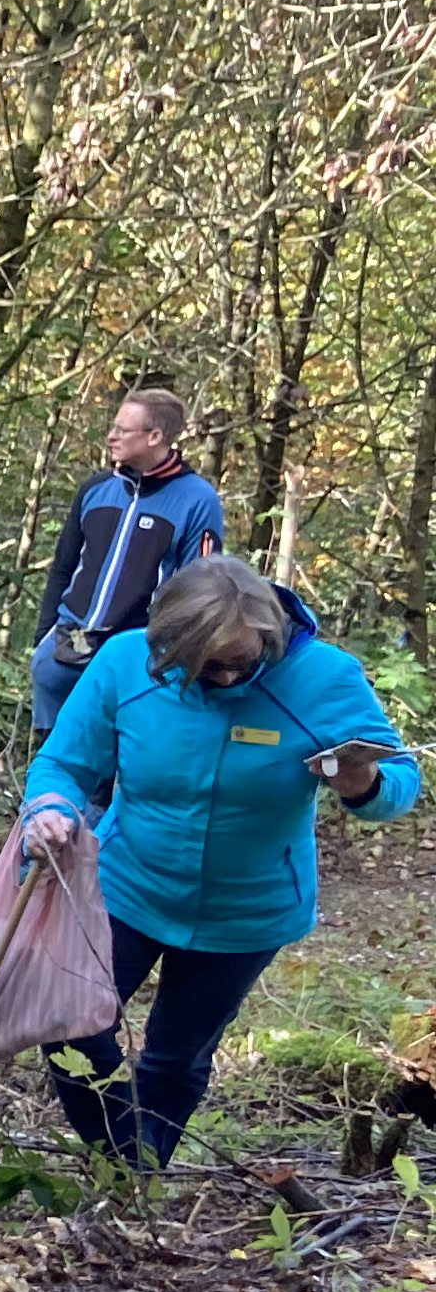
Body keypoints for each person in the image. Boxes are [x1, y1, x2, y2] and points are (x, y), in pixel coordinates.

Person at [20, 554, 415, 1167]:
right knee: (68, 1021)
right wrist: (51, 808)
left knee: (176, 1058)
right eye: (208, 666)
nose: (229, 678)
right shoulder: (126, 662)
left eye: (244, 661)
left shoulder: (327, 677)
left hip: (248, 910)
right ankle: (126, 1163)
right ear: (170, 645)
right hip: (128, 888)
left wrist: (361, 783)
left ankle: (135, 1177)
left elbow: (399, 783)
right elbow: (64, 765)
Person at [31, 389, 227, 728]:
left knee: (116, 760)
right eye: (113, 427)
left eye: (123, 430)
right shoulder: (96, 489)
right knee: (56, 763)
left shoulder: (197, 500)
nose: (111, 436)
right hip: (66, 646)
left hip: (138, 652)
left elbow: (201, 590)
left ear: (155, 436)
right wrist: (43, 638)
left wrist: (171, 655)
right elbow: (64, 566)